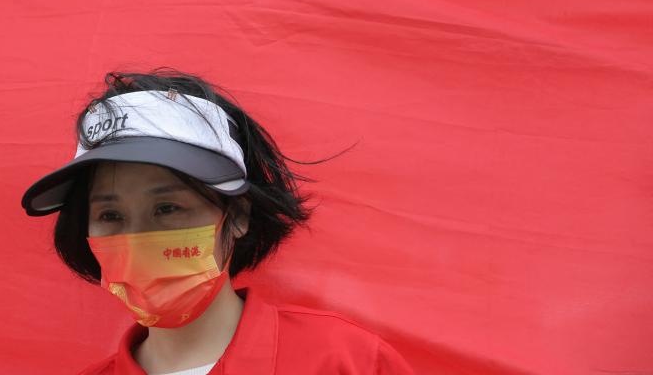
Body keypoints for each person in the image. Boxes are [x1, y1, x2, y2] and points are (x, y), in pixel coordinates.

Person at [21, 69, 415, 374]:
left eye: (167, 208)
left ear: (237, 215)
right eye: (110, 215)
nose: (137, 237)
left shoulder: (346, 361)